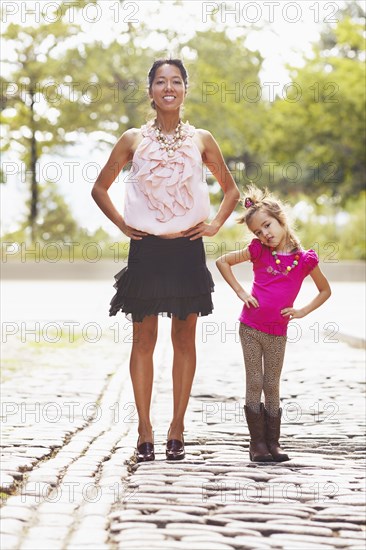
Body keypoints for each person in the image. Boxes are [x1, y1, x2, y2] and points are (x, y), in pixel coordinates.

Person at [91, 59, 240, 462]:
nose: (168, 87)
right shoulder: (132, 139)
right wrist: (124, 224)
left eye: (176, 81)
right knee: (143, 340)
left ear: (185, 89)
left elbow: (231, 191)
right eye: (161, 81)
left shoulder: (203, 139)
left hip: (187, 250)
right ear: (151, 90)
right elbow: (100, 188)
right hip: (147, 251)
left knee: (184, 340)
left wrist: (214, 227)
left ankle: (177, 428)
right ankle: (145, 429)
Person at [216, 184, 331, 462]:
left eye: (267, 226)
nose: (265, 234)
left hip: (277, 333)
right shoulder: (258, 251)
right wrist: (242, 293)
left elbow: (325, 290)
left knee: (272, 384)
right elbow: (222, 262)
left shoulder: (304, 260)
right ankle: (257, 445)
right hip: (251, 328)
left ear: (281, 219)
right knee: (254, 382)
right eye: (258, 231)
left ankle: (274, 443)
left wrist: (302, 311)